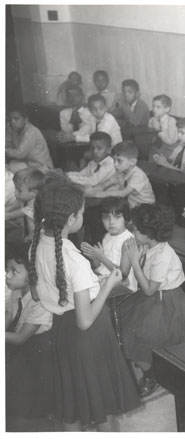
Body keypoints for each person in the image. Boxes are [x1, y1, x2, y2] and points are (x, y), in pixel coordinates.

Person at [28, 180, 139, 430]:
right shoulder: (73, 260)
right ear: (70, 219)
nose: (82, 216)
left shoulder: (36, 245)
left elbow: (37, 295)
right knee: (104, 407)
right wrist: (108, 284)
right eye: (81, 212)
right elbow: (85, 320)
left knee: (73, 404)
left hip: (61, 331)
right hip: (89, 337)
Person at [118, 204, 185, 397]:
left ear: (149, 233)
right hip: (153, 299)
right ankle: (149, 368)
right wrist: (128, 256)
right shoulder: (147, 244)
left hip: (168, 302)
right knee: (128, 328)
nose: (132, 233)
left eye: (136, 230)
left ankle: (152, 375)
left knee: (145, 337)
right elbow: (124, 273)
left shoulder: (163, 255)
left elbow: (148, 289)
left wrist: (135, 261)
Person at [5, 243, 54, 431]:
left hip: (40, 348)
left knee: (23, 393)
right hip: (22, 343)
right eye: (6, 270)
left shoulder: (39, 299)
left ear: (31, 276)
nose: (7, 275)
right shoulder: (17, 289)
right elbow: (9, 314)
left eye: (14, 271)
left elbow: (21, 338)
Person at [81, 197, 137, 291]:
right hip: (104, 280)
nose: (111, 222)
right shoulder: (106, 236)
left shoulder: (128, 240)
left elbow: (122, 275)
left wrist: (101, 257)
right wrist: (94, 256)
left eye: (117, 217)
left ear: (126, 218)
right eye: (106, 217)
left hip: (123, 289)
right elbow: (99, 266)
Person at [85, 141, 155, 208]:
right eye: (114, 160)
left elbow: (122, 194)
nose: (115, 164)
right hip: (131, 205)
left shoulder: (138, 176)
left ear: (132, 162)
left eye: (119, 161)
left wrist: (95, 194)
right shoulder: (121, 171)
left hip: (145, 208)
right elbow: (105, 185)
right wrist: (90, 191)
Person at [5, 107, 53, 172]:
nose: (12, 122)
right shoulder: (12, 128)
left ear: (26, 120)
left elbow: (20, 154)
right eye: (10, 119)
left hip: (41, 167)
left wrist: (5, 151)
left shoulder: (31, 131)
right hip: (27, 164)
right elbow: (8, 144)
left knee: (10, 168)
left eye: (16, 119)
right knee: (9, 167)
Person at [9, 168, 45, 242]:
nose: (15, 192)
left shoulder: (35, 204)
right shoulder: (25, 198)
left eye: (19, 190)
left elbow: (18, 213)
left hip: (40, 238)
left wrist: (5, 215)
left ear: (34, 193)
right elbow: (16, 204)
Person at [148, 94, 178, 158]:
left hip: (170, 150)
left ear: (167, 109)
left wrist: (158, 130)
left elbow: (171, 142)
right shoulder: (152, 119)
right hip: (158, 148)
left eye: (158, 107)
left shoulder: (171, 121)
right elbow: (148, 134)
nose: (154, 109)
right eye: (153, 106)